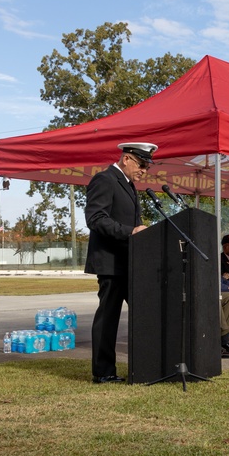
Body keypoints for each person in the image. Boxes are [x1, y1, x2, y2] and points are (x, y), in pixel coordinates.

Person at [84, 142, 154, 384]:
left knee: (147, 311)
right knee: (108, 318)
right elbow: (95, 218)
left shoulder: (128, 186)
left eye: (147, 166)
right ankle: (103, 372)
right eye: (142, 164)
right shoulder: (105, 179)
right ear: (127, 159)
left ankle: (148, 364)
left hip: (129, 263)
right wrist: (130, 231)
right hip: (110, 263)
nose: (144, 170)